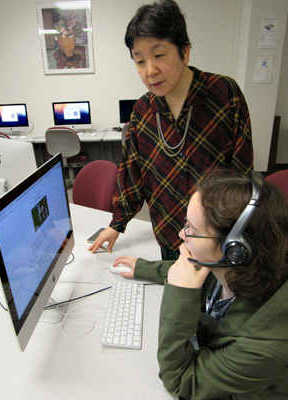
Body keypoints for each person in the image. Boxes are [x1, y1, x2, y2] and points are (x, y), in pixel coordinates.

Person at [89, 0, 253, 260]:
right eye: (140, 61)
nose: (150, 71)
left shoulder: (224, 93)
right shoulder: (143, 111)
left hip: (216, 237)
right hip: (169, 236)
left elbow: (241, 169)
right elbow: (131, 173)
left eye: (159, 55)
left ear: (184, 52)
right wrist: (116, 224)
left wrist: (232, 226)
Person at [112, 168, 288, 400]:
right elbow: (195, 267)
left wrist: (179, 295)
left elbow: (180, 380)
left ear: (235, 250)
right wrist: (144, 268)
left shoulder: (263, 348)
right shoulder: (240, 264)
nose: (181, 234)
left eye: (191, 231)